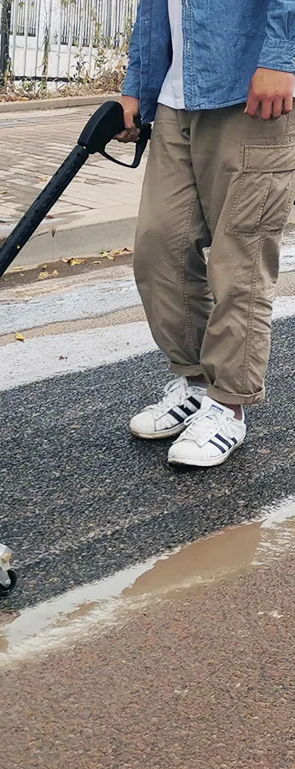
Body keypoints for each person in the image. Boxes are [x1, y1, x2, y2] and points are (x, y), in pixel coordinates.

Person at [119, 0, 295, 468]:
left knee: (240, 260)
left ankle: (228, 405)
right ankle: (196, 385)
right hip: (176, 99)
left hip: (251, 92)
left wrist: (282, 57)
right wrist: (137, 86)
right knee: (160, 246)